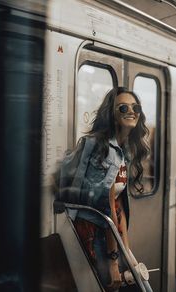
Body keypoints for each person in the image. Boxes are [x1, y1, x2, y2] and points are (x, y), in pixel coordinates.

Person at [60, 87, 150, 291]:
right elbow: (105, 210)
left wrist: (126, 251)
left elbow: (118, 203)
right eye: (123, 107)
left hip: (110, 233)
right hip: (95, 232)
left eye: (135, 107)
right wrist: (113, 261)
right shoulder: (105, 150)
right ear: (111, 113)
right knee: (110, 284)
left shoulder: (123, 150)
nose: (131, 111)